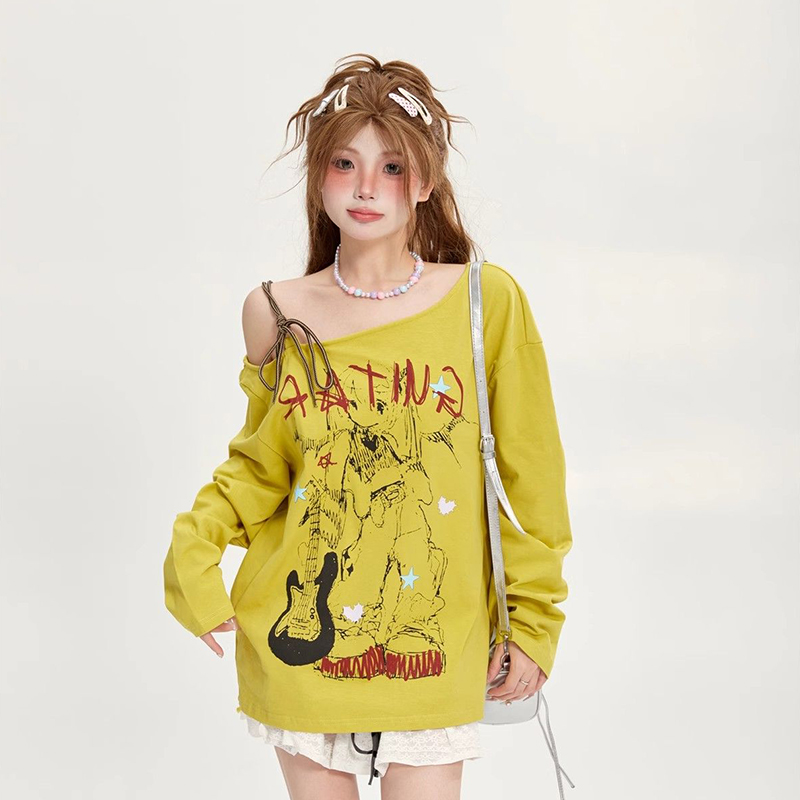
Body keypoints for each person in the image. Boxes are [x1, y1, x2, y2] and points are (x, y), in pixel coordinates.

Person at [163, 52, 573, 800]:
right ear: (318, 176)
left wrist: (535, 620)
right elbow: (259, 468)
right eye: (344, 164)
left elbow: (528, 478)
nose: (364, 188)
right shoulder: (275, 311)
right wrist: (192, 555)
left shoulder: (485, 302)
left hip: (436, 645)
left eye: (391, 168)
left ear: (425, 182)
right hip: (304, 644)